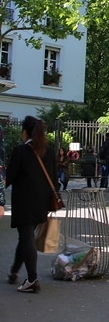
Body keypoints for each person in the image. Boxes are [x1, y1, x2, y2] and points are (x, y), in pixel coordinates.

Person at [5, 115, 58, 292]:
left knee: (26, 237)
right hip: (42, 202)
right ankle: (13, 272)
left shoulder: (20, 151)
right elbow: (55, 179)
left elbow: (9, 178)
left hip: (24, 202)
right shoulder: (49, 151)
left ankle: (33, 279)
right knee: (26, 237)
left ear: (25, 132)